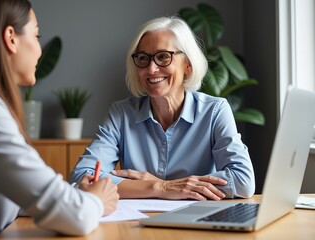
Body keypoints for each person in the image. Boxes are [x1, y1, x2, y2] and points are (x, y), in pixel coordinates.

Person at [0, 0, 119, 239]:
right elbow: (76, 217)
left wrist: (78, 194)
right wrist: (96, 201)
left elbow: (19, 194)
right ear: (11, 38)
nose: (40, 50)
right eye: (36, 34)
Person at [70, 16, 255, 201]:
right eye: (143, 58)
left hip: (197, 222)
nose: (151, 69)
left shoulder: (215, 111)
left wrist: (163, 186)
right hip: (139, 224)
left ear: (188, 65)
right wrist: (160, 187)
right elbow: (82, 177)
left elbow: (243, 181)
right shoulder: (122, 114)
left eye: (163, 57)